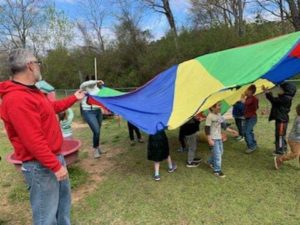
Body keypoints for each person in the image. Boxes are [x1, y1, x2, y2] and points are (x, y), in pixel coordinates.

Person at [0, 48, 85, 225]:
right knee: (45, 219)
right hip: (41, 167)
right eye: (38, 63)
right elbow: (32, 140)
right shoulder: (17, 99)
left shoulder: (32, 91)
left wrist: (74, 98)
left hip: (53, 159)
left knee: (62, 211)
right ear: (30, 66)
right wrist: (55, 166)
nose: (39, 66)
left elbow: (50, 108)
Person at [262, 82, 297, 155]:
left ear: (287, 90)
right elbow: (274, 101)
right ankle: (283, 148)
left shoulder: (286, 98)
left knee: (280, 135)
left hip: (282, 120)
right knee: (280, 135)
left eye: (281, 89)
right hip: (280, 119)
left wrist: (268, 93)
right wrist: (267, 93)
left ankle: (280, 151)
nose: (279, 90)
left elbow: (274, 101)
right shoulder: (284, 97)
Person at [80, 79, 104, 158]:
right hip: (88, 112)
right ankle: (95, 149)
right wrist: (97, 81)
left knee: (97, 130)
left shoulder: (97, 89)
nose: (93, 83)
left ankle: (97, 146)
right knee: (96, 130)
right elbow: (86, 83)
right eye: (93, 82)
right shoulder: (84, 87)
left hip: (98, 111)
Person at [274, 104, 300, 169]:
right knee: (295, 154)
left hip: (297, 139)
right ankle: (279, 159)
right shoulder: (299, 119)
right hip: (295, 140)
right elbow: (298, 130)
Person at [205, 102, 227, 178]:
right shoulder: (210, 116)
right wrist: (209, 139)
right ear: (212, 107)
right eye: (218, 106)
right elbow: (207, 129)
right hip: (213, 138)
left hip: (219, 137)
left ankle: (210, 161)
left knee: (221, 152)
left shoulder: (219, 114)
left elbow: (223, 125)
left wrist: (231, 131)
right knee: (218, 155)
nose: (220, 107)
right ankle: (217, 170)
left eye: (220, 105)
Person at [242, 85, 259, 154]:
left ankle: (251, 146)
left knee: (247, 132)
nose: (245, 91)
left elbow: (246, 103)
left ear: (250, 91)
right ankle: (254, 144)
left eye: (246, 90)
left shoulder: (254, 98)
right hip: (248, 117)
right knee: (248, 131)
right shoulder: (248, 98)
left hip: (252, 118)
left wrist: (242, 97)